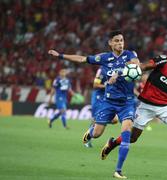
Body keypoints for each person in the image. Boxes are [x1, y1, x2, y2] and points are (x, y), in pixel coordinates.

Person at [48, 30, 139, 179]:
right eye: (116, 40)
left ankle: (118, 170)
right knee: (97, 134)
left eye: (121, 40)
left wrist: (119, 73)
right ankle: (90, 133)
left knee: (127, 132)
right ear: (110, 43)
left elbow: (135, 64)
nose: (120, 43)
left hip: (127, 103)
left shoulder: (129, 55)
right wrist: (61, 55)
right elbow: (82, 59)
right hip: (108, 102)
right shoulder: (104, 58)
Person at [84, 67, 118, 148]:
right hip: (98, 97)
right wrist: (108, 85)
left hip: (108, 98)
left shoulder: (117, 70)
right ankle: (88, 140)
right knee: (96, 119)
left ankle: (90, 132)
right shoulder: (101, 70)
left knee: (115, 120)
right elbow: (95, 85)